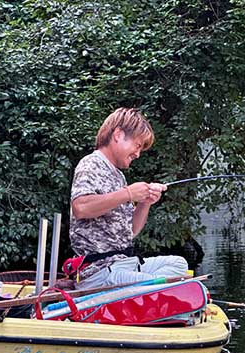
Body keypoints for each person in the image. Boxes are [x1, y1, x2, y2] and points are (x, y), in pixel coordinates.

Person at [68, 107, 188, 289]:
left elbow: (131, 231)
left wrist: (144, 202)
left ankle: (144, 287)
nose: (138, 154)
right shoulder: (91, 164)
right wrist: (128, 193)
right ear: (118, 134)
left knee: (179, 264)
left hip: (124, 265)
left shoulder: (118, 176)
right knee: (165, 284)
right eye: (137, 145)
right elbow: (81, 208)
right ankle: (146, 287)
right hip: (100, 272)